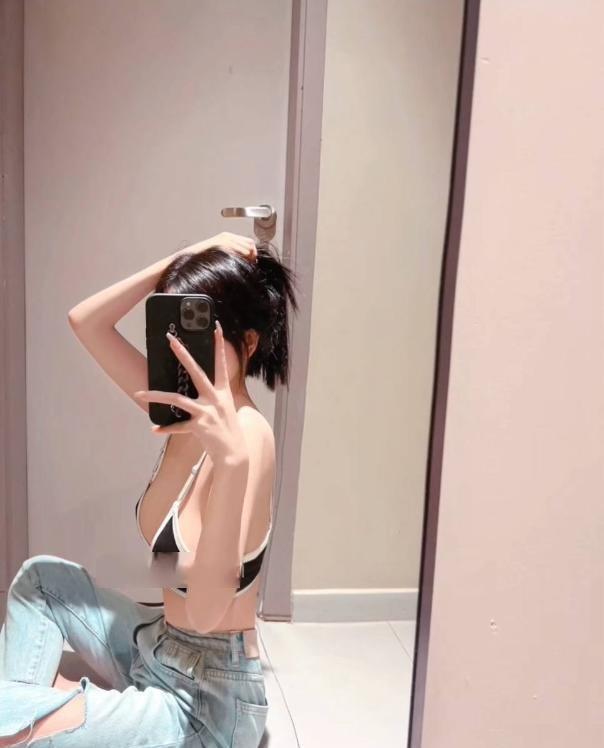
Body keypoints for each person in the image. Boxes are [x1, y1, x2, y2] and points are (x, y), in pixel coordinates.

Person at [0, 232, 298, 747]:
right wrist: (190, 254)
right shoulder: (179, 412)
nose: (184, 354)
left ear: (248, 343)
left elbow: (206, 612)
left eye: (205, 338)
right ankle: (48, 712)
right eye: (175, 332)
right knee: (41, 580)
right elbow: (85, 321)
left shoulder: (249, 440)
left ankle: (46, 714)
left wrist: (230, 465)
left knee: (11, 724)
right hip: (156, 643)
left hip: (204, 702)